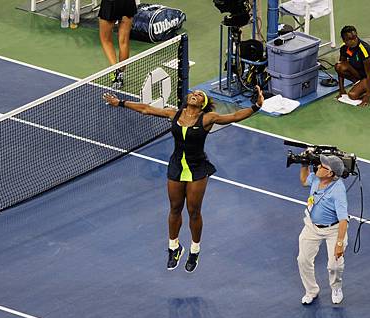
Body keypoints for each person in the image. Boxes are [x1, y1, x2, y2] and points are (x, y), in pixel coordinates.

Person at [102, 87, 264, 273]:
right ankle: (174, 247)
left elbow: (235, 116)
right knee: (175, 208)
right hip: (176, 167)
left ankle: (195, 250)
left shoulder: (208, 118)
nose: (195, 94)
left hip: (197, 168)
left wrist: (256, 106)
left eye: (199, 95)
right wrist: (120, 103)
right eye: (193, 93)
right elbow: (146, 109)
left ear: (203, 104)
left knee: (194, 211)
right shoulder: (174, 113)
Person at [297, 155, 349, 305]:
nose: (319, 166)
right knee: (303, 260)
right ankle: (311, 290)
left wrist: (339, 243)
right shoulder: (315, 178)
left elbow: (343, 220)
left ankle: (336, 287)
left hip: (333, 229)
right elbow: (303, 180)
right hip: (312, 226)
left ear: (330, 174)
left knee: (334, 265)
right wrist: (304, 164)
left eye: (323, 166)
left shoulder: (338, 191)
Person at [335, 25, 370, 107]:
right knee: (339, 66)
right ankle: (361, 85)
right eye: (350, 39)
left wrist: (367, 97)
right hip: (361, 73)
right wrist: (341, 90)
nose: (354, 40)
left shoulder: (364, 50)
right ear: (344, 40)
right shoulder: (344, 48)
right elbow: (342, 65)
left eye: (355, 37)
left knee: (352, 95)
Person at [98, 0, 138, 89]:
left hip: (110, 2)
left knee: (105, 39)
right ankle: (120, 73)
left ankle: (115, 72)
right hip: (127, 3)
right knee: (124, 41)